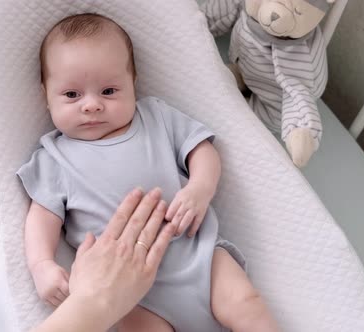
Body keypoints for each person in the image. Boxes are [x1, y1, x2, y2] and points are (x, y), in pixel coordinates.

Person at [18, 13, 278, 332]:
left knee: (246, 304)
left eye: (109, 91)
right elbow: (41, 218)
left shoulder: (155, 117)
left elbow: (202, 150)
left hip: (197, 255)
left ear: (133, 83)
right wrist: (41, 265)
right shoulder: (54, 159)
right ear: (46, 96)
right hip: (131, 292)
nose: (91, 105)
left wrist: (199, 188)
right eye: (72, 95)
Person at [31, 188, 176, 332]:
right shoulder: (57, 165)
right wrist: (41, 263)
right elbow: (43, 210)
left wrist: (197, 187)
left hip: (185, 238)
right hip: (137, 297)